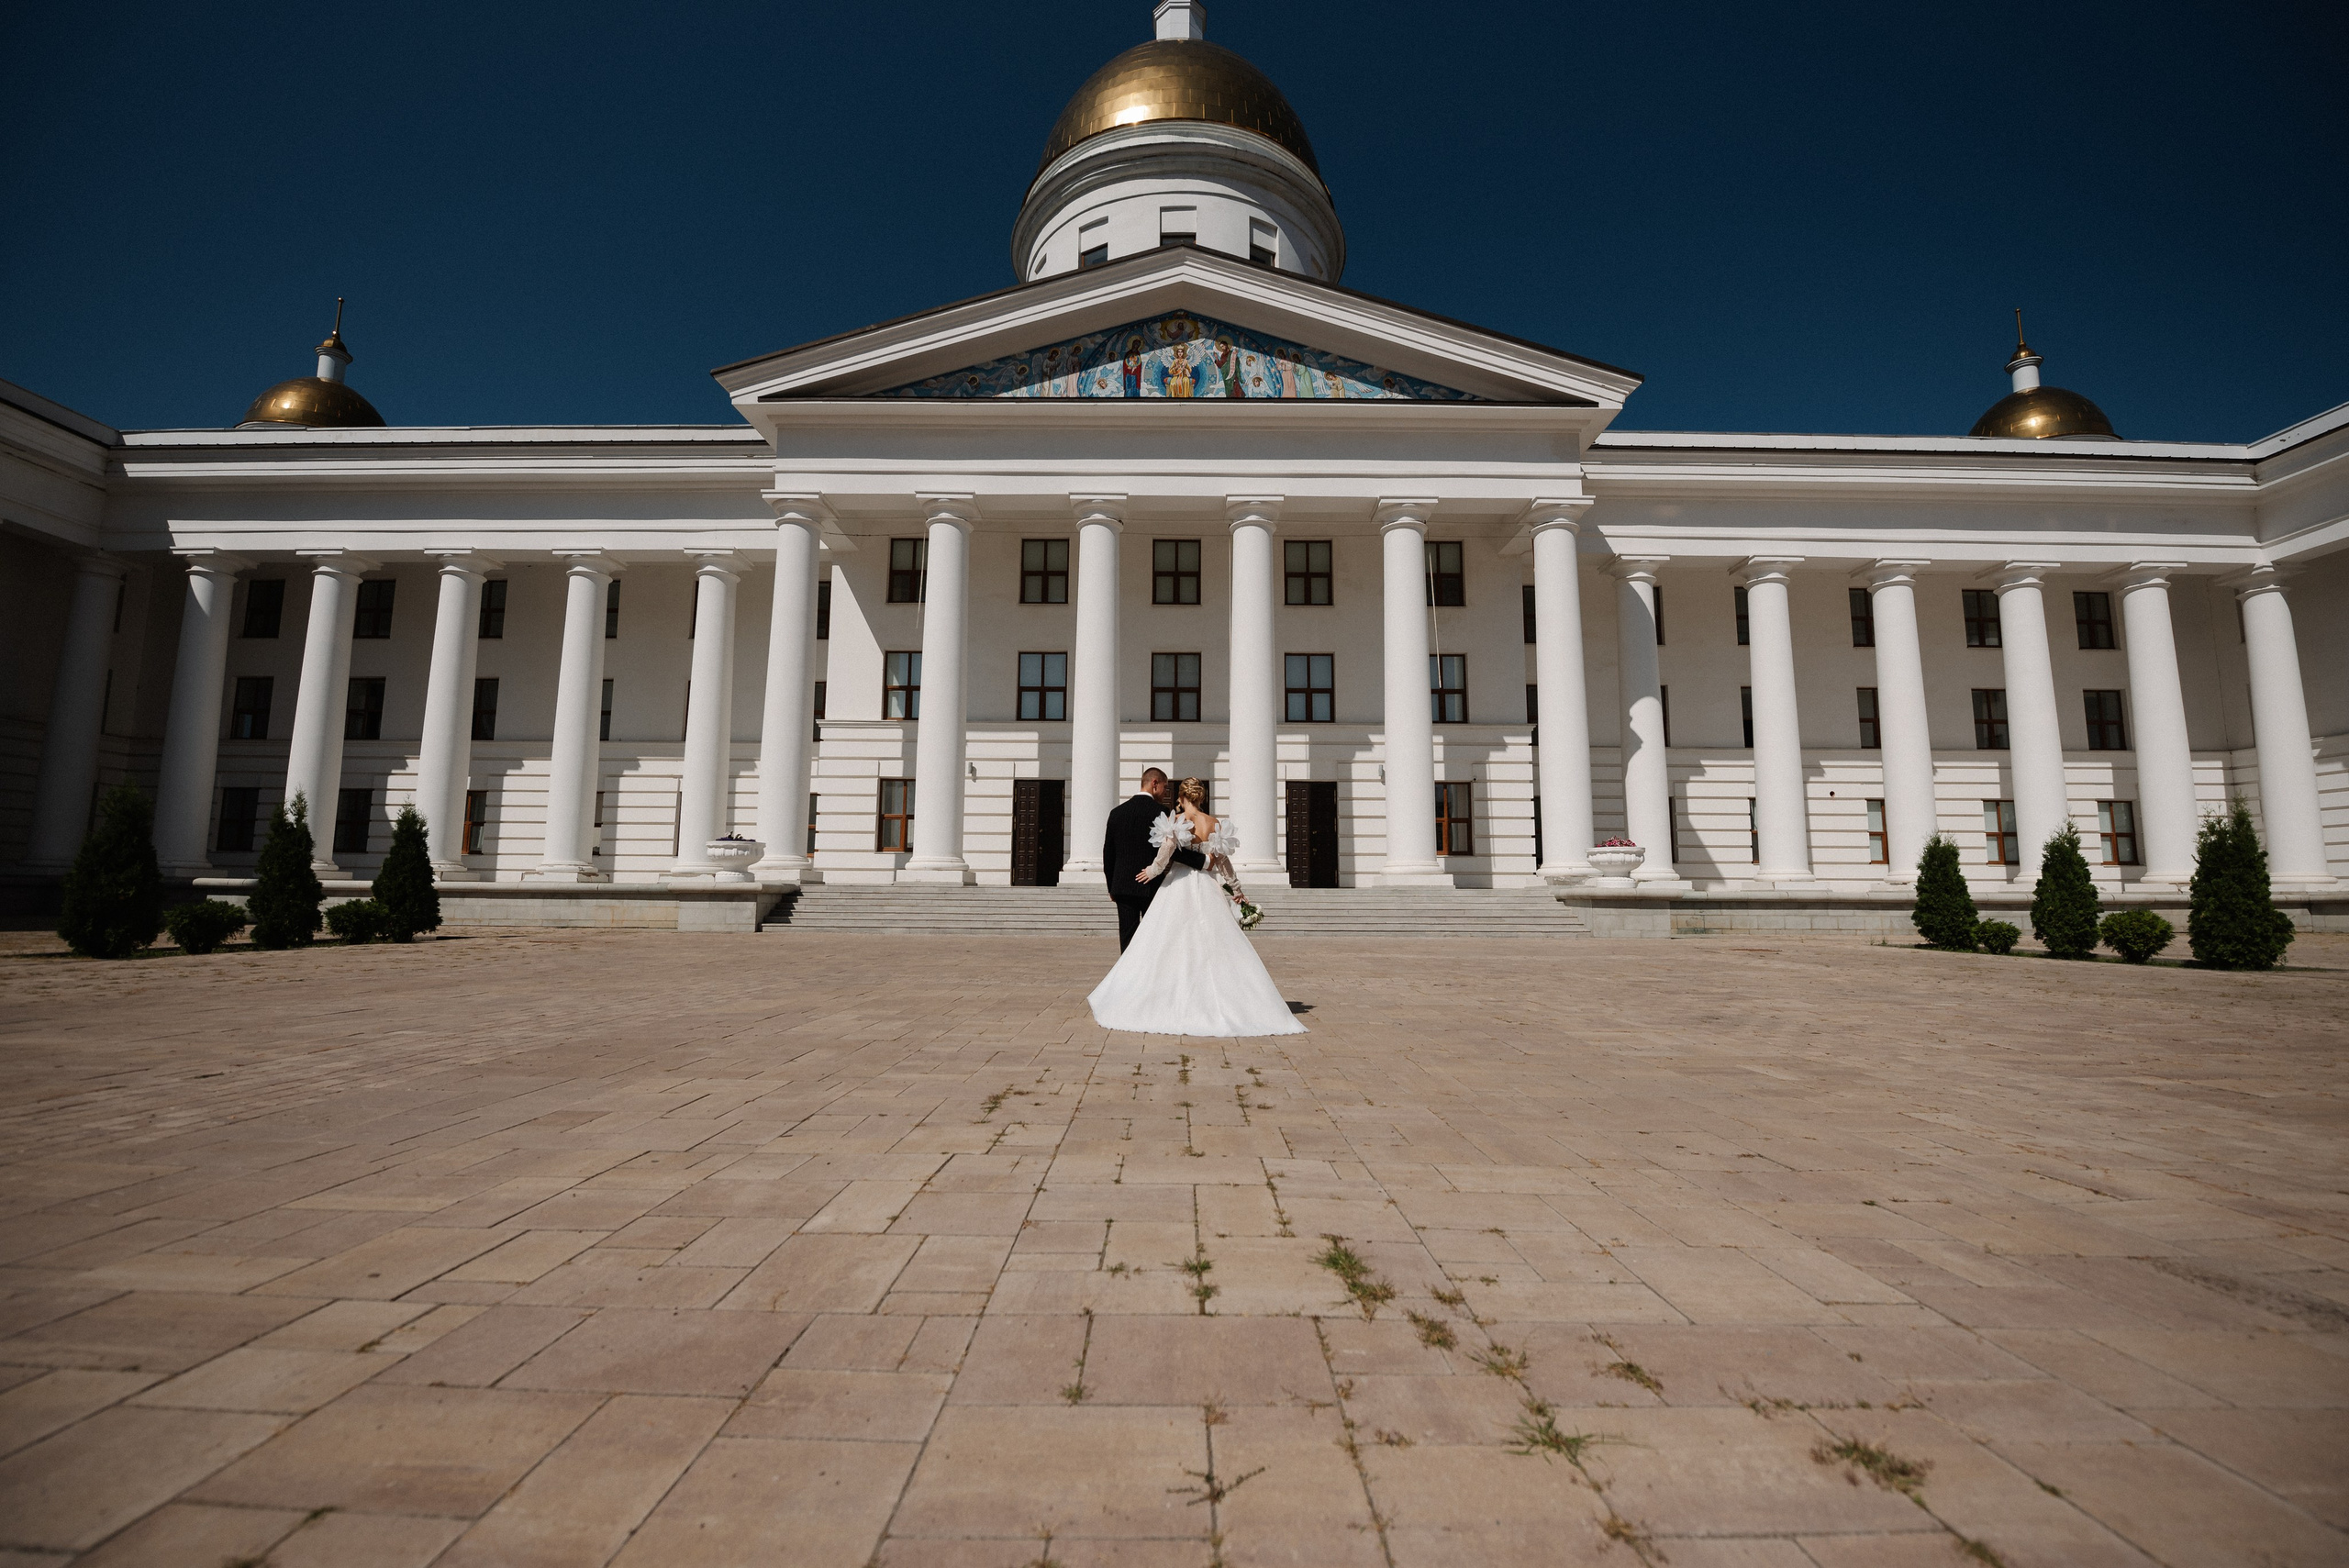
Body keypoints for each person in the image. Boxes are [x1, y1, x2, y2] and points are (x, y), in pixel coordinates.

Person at [1089, 776, 1306, 1038]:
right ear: (1201, 797)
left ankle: (1159, 994)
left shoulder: (1179, 822)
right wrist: (1237, 889)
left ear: (1182, 798)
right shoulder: (1214, 824)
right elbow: (1223, 862)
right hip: (1208, 887)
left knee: (1166, 942)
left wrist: (1152, 871)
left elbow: (1166, 851)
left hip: (1178, 885)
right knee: (1215, 943)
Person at [1103, 768, 1202, 951]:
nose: (1166, 793)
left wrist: (1111, 887)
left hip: (1122, 886)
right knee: (1153, 937)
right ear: (1154, 783)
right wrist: (1202, 861)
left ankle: (1127, 976)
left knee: (1127, 938)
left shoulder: (1116, 813)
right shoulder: (1161, 812)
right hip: (1151, 885)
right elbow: (1173, 850)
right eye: (1165, 787)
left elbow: (1108, 853)